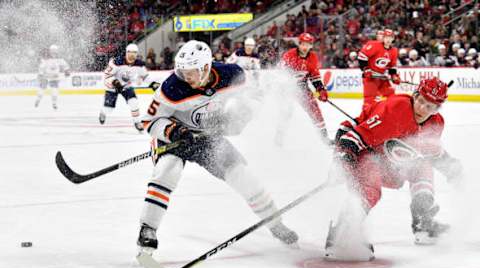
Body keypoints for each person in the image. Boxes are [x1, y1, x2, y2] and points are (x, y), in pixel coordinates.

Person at [137, 40, 298, 253]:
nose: (186, 77)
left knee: (242, 175)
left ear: (205, 68)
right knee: (168, 171)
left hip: (207, 137)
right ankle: (147, 229)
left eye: (191, 72)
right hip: (176, 138)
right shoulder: (172, 87)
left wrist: (240, 118)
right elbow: (150, 121)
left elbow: (255, 97)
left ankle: (276, 224)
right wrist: (174, 131)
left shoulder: (232, 75)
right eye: (183, 71)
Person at [326, 77, 462, 261]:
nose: (422, 109)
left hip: (390, 161)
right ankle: (342, 233)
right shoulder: (395, 109)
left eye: (430, 107)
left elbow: (430, 152)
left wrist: (451, 167)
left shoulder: (435, 124)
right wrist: (342, 161)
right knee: (371, 187)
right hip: (364, 151)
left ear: (437, 109)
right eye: (421, 101)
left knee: (422, 165)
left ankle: (423, 222)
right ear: (415, 95)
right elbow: (354, 137)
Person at [277, 32, 330, 146]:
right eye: (303, 44)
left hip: (303, 87)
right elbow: (281, 74)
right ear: (299, 44)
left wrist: (321, 90)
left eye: (308, 45)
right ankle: (278, 138)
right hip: (287, 88)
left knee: (315, 110)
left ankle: (324, 138)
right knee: (285, 112)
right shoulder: (289, 55)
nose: (305, 47)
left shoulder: (313, 57)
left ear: (311, 45)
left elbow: (314, 76)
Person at [99, 43, 159, 132]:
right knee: (109, 109)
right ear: (126, 53)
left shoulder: (139, 64)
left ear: (137, 54)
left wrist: (153, 84)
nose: (132, 56)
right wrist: (115, 82)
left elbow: (145, 77)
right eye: (130, 53)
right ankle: (103, 112)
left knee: (134, 102)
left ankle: (137, 122)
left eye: (134, 53)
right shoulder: (117, 62)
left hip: (126, 86)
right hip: (112, 87)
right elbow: (107, 76)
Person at [357, 29, 400, 112]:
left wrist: (394, 76)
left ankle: (390, 116)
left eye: (390, 37)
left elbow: (392, 66)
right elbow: (361, 56)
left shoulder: (394, 51)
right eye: (386, 37)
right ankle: (365, 118)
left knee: (391, 96)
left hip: (382, 77)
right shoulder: (374, 45)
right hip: (370, 77)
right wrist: (366, 69)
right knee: (369, 100)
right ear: (383, 38)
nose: (388, 39)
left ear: (393, 39)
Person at [34, 45, 70, 109]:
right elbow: (42, 67)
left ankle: (54, 103)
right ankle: (38, 100)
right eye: (52, 50)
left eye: (54, 50)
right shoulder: (47, 59)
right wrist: (41, 74)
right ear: (50, 51)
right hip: (46, 76)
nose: (53, 52)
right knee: (43, 88)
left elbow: (65, 65)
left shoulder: (59, 59)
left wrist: (66, 70)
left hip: (53, 77)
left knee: (53, 89)